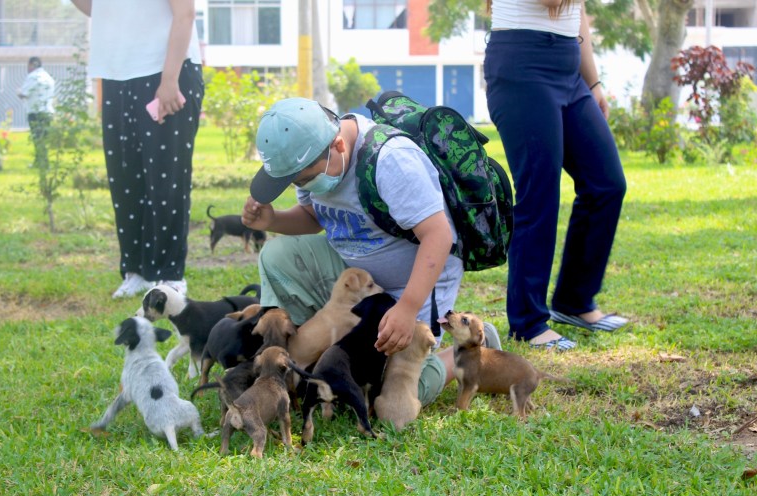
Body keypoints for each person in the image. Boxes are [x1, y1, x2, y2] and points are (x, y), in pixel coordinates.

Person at [242, 97, 502, 408]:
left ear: (338, 144)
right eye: (297, 181)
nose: (306, 184)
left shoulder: (392, 161)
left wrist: (407, 308)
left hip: (412, 284)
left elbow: (439, 235)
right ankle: (306, 355)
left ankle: (470, 348)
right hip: (356, 276)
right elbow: (314, 218)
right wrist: (273, 220)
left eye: (306, 178)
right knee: (276, 255)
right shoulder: (313, 162)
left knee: (389, 395)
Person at [483, 0, 629, 351]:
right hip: (522, 65)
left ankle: (574, 302)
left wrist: (593, 83)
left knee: (606, 183)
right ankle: (528, 322)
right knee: (540, 194)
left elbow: (575, 14)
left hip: (568, 65)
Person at [70, 0, 204, 298]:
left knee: (166, 179)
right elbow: (98, 8)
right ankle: (136, 271)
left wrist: (169, 79)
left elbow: (185, 13)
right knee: (124, 178)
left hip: (167, 70)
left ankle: (170, 274)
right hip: (118, 74)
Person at [17, 56, 55, 169]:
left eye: (28, 65)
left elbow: (24, 93)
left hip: (36, 112)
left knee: (38, 139)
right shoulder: (48, 77)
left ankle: (43, 163)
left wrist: (18, 92)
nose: (27, 68)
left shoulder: (33, 77)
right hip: (47, 112)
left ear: (32, 64)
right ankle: (39, 161)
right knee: (43, 138)